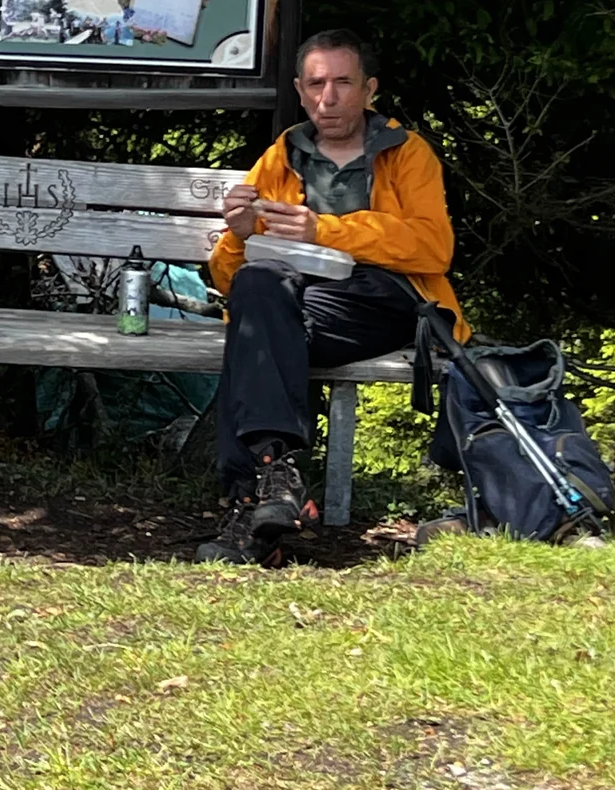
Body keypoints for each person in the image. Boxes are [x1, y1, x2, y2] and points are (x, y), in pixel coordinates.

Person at [197, 29, 468, 565]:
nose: (329, 97)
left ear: (369, 89)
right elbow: (232, 277)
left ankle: (246, 509)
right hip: (304, 308)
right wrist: (241, 233)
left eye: (343, 82)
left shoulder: (405, 152)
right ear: (299, 90)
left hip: (388, 302)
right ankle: (275, 476)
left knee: (254, 340)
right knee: (254, 303)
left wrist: (325, 229)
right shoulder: (283, 154)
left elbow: (434, 248)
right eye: (317, 84)